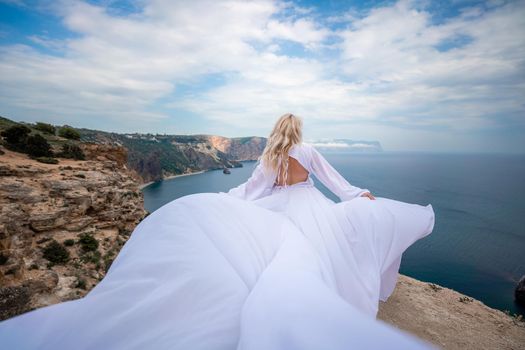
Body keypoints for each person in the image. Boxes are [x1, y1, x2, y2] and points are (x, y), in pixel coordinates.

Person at [0, 113, 437, 350]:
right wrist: (359, 195)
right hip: (311, 205)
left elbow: (254, 189)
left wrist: (229, 198)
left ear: (275, 132)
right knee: (328, 248)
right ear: (298, 130)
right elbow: (333, 181)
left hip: (279, 208)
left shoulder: (269, 155)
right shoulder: (307, 149)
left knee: (280, 253)